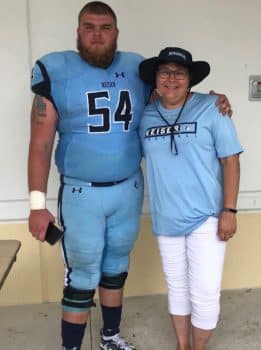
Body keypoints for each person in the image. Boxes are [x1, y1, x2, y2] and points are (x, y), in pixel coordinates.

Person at [28, 2, 233, 349]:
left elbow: (171, 96)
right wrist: (36, 203)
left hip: (128, 189)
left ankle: (110, 336)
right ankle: (72, 346)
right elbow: (41, 141)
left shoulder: (135, 68)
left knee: (116, 266)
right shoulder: (56, 68)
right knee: (83, 273)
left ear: (116, 32)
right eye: (89, 26)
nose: (97, 34)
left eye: (105, 27)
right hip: (82, 193)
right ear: (78, 31)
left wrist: (212, 100)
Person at [138, 47, 243, 350]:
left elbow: (230, 161)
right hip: (165, 218)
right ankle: (182, 346)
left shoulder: (212, 107)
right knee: (178, 288)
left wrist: (230, 209)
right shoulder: (145, 115)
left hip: (207, 217)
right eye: (165, 72)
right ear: (155, 79)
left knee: (205, 291)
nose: (172, 78)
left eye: (179, 72)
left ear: (190, 79)